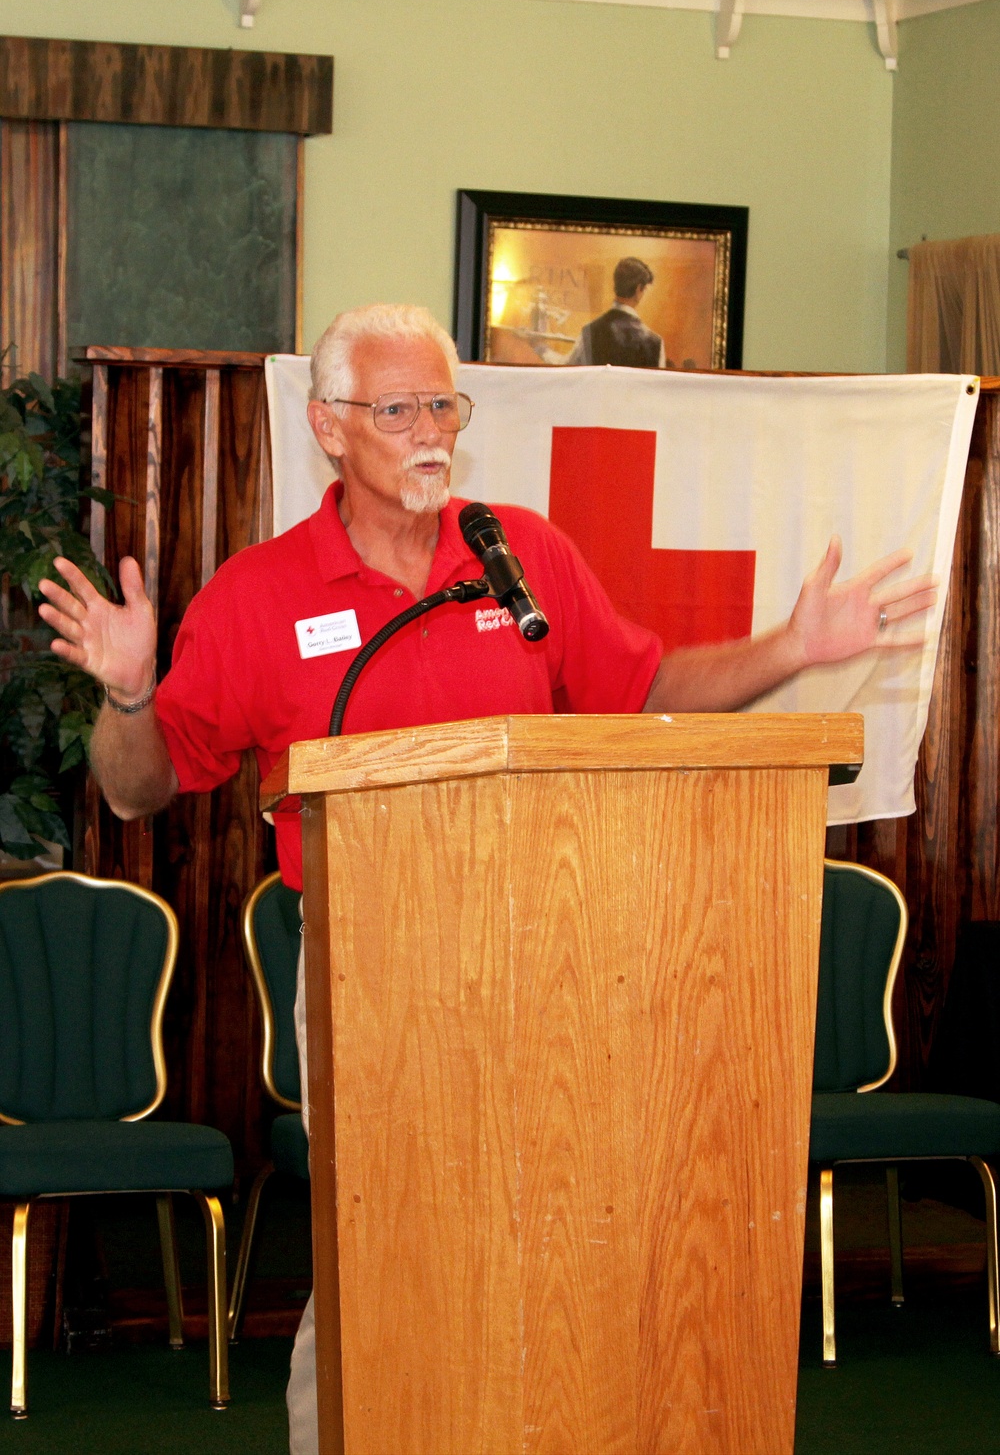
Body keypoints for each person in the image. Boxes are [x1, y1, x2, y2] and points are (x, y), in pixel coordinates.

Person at [37, 302, 936, 1454]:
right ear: (326, 425)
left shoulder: (518, 556)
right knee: (387, 1246)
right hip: (371, 962)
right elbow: (136, 789)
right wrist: (125, 693)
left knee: (557, 1225)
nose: (430, 433)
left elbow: (643, 689)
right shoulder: (263, 595)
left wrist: (791, 649)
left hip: (556, 959)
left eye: (443, 406)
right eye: (397, 408)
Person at [564, 256, 665, 368]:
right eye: (644, 289)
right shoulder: (655, 343)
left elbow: (568, 368)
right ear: (639, 289)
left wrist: (543, 349)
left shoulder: (590, 331)